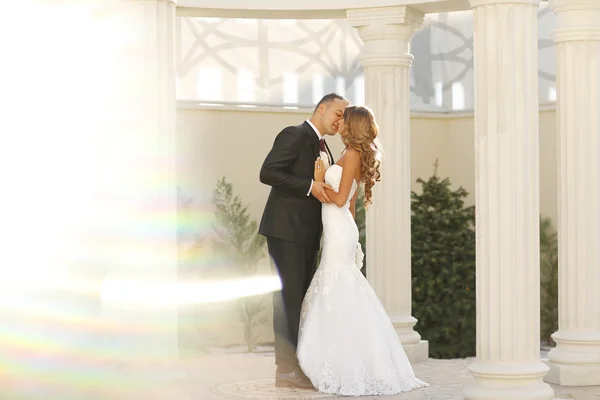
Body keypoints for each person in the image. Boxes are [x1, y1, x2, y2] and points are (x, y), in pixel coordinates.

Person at [297, 105, 428, 396]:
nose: (339, 121)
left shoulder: (353, 154)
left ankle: (344, 362)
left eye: (344, 118)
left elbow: (342, 198)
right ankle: (339, 356)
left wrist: (317, 182)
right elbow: (351, 203)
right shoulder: (348, 154)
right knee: (341, 286)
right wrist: (348, 231)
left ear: (352, 125)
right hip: (340, 228)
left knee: (338, 285)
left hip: (339, 226)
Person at [258, 93, 348, 389]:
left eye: (343, 116)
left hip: (307, 234)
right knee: (287, 300)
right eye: (337, 113)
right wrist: (310, 185)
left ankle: (297, 363)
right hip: (287, 231)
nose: (340, 120)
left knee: (300, 301)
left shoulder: (324, 146)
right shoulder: (295, 134)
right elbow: (269, 172)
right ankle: (285, 369)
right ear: (321, 108)